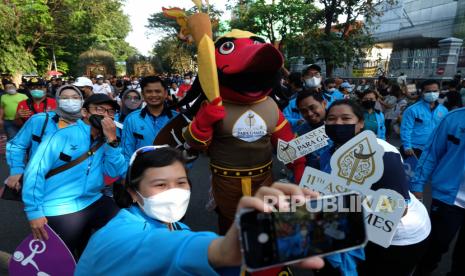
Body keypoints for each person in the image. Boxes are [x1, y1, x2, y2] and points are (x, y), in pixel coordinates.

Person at [75, 146, 324, 275]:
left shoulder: (178, 227)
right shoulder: (114, 235)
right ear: (132, 192)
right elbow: (166, 247)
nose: (174, 192)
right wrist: (222, 249)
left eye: (181, 183)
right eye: (160, 184)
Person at [316, 99, 430, 276]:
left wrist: (344, 204)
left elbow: (398, 209)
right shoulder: (328, 152)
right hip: (363, 228)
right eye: (331, 119)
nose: (338, 123)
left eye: (346, 118)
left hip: (399, 236)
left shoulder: (383, 153)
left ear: (360, 124)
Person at [22, 93, 126, 257]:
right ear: (85, 113)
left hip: (92, 199)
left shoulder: (108, 138)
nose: (106, 115)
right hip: (59, 205)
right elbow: (34, 172)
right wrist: (34, 212)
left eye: (111, 111)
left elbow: (114, 171)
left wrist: (112, 141)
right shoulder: (60, 136)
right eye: (99, 109)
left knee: (126, 226)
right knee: (61, 256)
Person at [410, 107, 465, 276]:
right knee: (435, 247)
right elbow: (431, 153)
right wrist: (417, 186)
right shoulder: (454, 119)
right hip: (447, 198)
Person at [5, 85, 83, 191]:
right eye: (64, 98)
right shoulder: (39, 120)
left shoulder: (88, 126)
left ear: (82, 101)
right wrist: (17, 170)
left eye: (75, 98)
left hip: (74, 184)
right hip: (39, 180)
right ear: (57, 101)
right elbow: (17, 145)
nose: (70, 101)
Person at [121, 76, 177, 161]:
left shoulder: (177, 118)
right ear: (143, 94)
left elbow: (186, 152)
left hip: (172, 172)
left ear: (165, 93)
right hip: (141, 172)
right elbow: (127, 153)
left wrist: (182, 170)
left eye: (158, 91)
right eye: (149, 92)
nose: (153, 95)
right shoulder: (131, 119)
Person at [400, 79, 448, 158]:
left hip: (434, 149)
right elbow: (406, 129)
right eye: (428, 91)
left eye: (435, 91)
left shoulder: (444, 110)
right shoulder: (412, 110)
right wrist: (407, 146)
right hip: (414, 149)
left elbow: (444, 130)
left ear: (439, 91)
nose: (432, 93)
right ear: (422, 92)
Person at [296, 90, 331, 169]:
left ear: (324, 103)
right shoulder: (301, 132)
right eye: (304, 111)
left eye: (312, 108)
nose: (309, 114)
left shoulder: (339, 126)